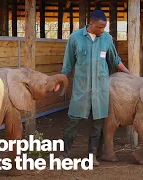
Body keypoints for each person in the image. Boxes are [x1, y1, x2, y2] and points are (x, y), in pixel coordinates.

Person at [58, 10, 130, 166]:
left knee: (98, 123)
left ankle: (92, 156)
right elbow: (68, 65)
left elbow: (115, 60)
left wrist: (129, 74)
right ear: (91, 24)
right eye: (99, 27)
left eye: (104, 27)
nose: (102, 30)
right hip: (81, 89)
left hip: (100, 89)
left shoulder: (107, 39)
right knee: (74, 121)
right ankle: (64, 154)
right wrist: (60, 80)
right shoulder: (75, 38)